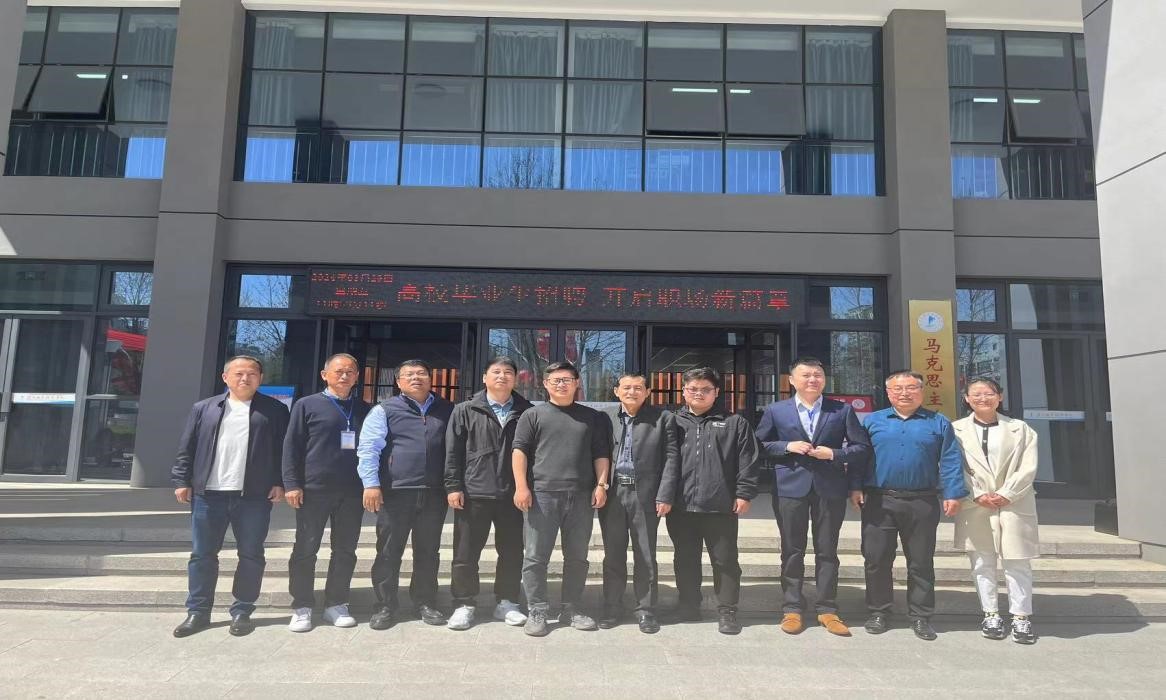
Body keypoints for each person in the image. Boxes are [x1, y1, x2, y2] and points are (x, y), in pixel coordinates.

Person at [171, 355, 288, 638]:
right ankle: (198, 612)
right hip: (208, 495)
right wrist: (181, 480)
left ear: (260, 379)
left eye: (252, 374)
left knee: (251, 554)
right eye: (238, 373)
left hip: (253, 496)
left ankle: (242, 611)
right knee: (202, 555)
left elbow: (282, 450)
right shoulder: (204, 408)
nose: (245, 378)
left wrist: (280, 482)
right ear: (225, 378)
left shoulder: (274, 410)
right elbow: (187, 446)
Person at [755, 357, 871, 636]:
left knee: (827, 550)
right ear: (792, 380)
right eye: (806, 375)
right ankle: (792, 607)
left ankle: (827, 608)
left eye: (817, 375)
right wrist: (787, 446)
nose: (812, 379)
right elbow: (757, 445)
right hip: (789, 487)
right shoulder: (776, 410)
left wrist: (834, 453)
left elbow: (862, 448)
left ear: (824, 380)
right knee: (792, 549)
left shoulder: (841, 410)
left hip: (829, 487)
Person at [853, 370, 968, 641]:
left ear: (921, 391)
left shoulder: (938, 422)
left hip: (922, 501)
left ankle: (920, 616)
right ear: (888, 392)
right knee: (876, 559)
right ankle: (879, 611)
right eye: (898, 388)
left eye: (911, 388)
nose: (904, 393)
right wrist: (855, 487)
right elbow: (859, 457)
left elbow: (950, 459)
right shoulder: (872, 421)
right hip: (879, 500)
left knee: (921, 562)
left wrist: (953, 493)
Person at [512, 361, 612, 637]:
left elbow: (601, 454)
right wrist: (521, 487)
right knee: (535, 556)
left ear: (577, 383)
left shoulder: (592, 417)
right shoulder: (532, 415)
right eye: (555, 380)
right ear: (545, 384)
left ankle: (572, 608)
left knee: (577, 556)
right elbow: (519, 451)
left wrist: (601, 485)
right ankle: (537, 609)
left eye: (567, 379)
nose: (561, 384)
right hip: (542, 495)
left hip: (581, 496)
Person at [357, 359, 454, 629]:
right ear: (398, 381)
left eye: (422, 373)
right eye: (409, 374)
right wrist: (371, 484)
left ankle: (425, 602)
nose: (416, 378)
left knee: (428, 552)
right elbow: (369, 448)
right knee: (389, 551)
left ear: (430, 379)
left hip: (434, 493)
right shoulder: (384, 410)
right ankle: (385, 605)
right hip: (395, 492)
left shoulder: (447, 409)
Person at [667, 367, 761, 635]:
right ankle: (688, 605)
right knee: (685, 558)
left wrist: (744, 493)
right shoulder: (672, 421)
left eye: (705, 389)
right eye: (693, 389)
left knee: (725, 560)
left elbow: (748, 461)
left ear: (716, 392)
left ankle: (727, 610)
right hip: (681, 506)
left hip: (720, 506)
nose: (698, 393)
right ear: (684, 391)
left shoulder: (734, 423)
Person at [283, 353, 371, 632]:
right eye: (338, 371)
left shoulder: (365, 409)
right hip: (314, 489)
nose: (344, 376)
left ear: (357, 376)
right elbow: (291, 447)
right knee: (306, 548)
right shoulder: (306, 405)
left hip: (352, 491)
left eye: (350, 371)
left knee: (345, 549)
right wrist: (291, 484)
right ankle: (302, 606)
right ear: (325, 375)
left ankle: (336, 603)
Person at [443, 356, 533, 630]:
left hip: (512, 494)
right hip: (474, 492)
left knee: (512, 551)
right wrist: (453, 486)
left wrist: (526, 487)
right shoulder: (465, 410)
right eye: (496, 372)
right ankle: (464, 603)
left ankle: (507, 602)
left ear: (515, 379)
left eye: (508, 372)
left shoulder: (527, 411)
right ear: (484, 377)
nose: (502, 376)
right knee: (465, 553)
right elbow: (453, 451)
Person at [952, 378, 1040, 645]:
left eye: (989, 393)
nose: (983, 398)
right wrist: (977, 493)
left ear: (999, 396)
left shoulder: (1020, 429)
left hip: (1014, 503)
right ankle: (990, 614)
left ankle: (1021, 617)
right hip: (975, 504)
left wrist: (1007, 493)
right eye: (976, 394)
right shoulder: (955, 430)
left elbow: (1028, 466)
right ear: (966, 398)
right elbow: (954, 466)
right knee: (981, 562)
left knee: (1017, 561)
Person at [598, 372, 680, 634]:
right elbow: (597, 453)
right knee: (613, 553)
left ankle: (646, 609)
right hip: (613, 493)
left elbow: (671, 458)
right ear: (616, 391)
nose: (631, 392)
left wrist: (665, 494)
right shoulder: (605, 418)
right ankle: (612, 606)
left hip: (645, 494)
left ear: (647, 393)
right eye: (626, 387)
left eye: (637, 388)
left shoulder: (663, 418)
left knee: (645, 554)